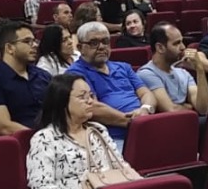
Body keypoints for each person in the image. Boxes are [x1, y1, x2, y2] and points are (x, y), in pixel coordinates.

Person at [26, 73, 139, 189]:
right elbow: (40, 188)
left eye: (90, 96)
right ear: (62, 101)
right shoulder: (45, 138)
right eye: (82, 97)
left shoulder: (98, 130)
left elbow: (121, 166)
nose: (90, 101)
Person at [65, 22, 157, 150]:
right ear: (80, 48)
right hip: (110, 138)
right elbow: (92, 107)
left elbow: (146, 93)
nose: (102, 47)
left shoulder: (124, 67)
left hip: (144, 126)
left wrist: (145, 109)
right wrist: (131, 122)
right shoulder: (75, 74)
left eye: (105, 41)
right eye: (94, 43)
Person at [0, 20, 51, 135]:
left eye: (35, 41)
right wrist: (44, 138)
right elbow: (4, 127)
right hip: (24, 143)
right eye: (27, 41)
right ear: (10, 48)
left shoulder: (43, 75)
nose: (35, 45)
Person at [138, 24, 208, 115]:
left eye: (182, 42)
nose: (183, 47)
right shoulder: (147, 74)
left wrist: (200, 70)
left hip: (189, 122)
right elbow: (171, 110)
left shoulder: (184, 73)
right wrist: (190, 107)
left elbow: (204, 109)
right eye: (176, 43)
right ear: (160, 47)